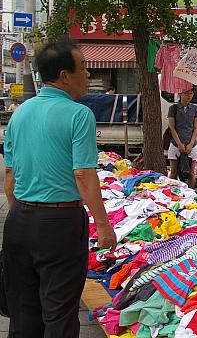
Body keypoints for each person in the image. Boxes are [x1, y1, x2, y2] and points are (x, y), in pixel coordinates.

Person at [2, 40, 116, 337]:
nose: (89, 76)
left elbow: (10, 174)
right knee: (60, 314)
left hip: (19, 221)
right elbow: (83, 174)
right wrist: (103, 227)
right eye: (84, 69)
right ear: (65, 75)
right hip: (60, 224)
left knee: (23, 313)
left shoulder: (20, 113)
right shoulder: (79, 115)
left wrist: (23, 214)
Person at [167, 87, 197, 188]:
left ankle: (190, 194)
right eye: (186, 93)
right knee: (173, 172)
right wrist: (179, 144)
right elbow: (172, 128)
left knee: (191, 174)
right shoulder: (173, 108)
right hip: (175, 144)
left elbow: (195, 129)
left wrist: (190, 144)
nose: (189, 96)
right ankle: (172, 192)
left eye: (191, 93)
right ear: (180, 94)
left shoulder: (195, 109)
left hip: (191, 144)